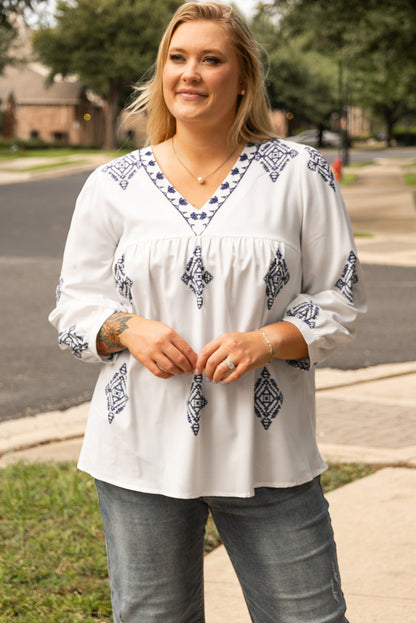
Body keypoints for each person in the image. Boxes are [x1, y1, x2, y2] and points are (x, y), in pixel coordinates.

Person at [49, 3, 366, 622]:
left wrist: (268, 340)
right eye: (177, 57)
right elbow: (73, 309)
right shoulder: (113, 185)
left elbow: (339, 298)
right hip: (139, 448)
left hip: (268, 447)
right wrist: (125, 328)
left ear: (242, 77)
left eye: (210, 59)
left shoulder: (299, 174)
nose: (189, 74)